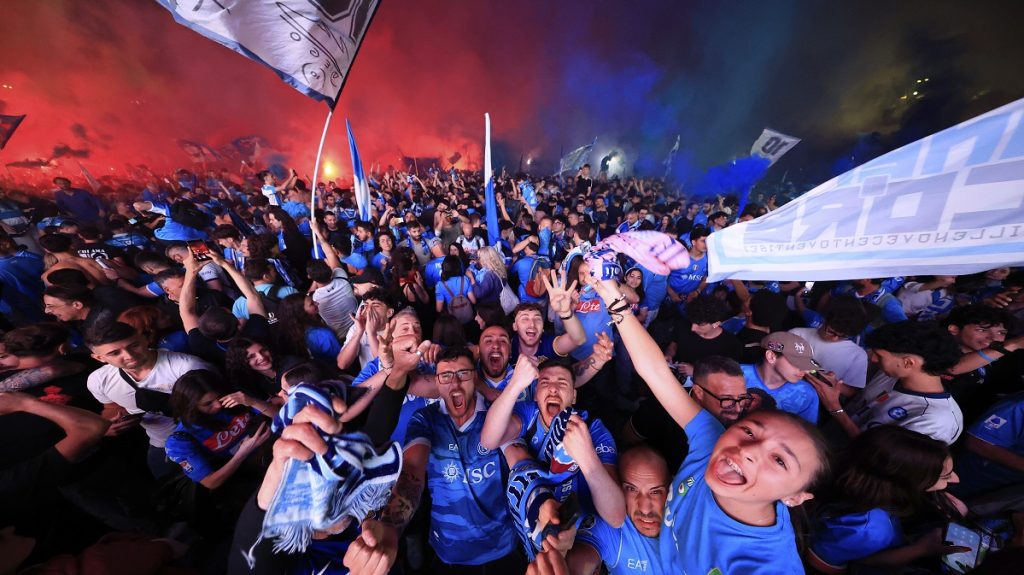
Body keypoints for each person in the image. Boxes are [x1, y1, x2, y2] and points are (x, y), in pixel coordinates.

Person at [590, 275, 831, 574]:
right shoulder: (711, 443)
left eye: (780, 460)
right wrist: (612, 297)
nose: (747, 451)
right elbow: (655, 372)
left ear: (794, 498)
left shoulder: (764, 565)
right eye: (749, 431)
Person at [352, 346, 527, 574]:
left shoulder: (496, 414)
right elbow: (412, 470)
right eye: (446, 376)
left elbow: (519, 459)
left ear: (475, 378)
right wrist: (389, 526)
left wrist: (540, 503)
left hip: (503, 546)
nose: (455, 384)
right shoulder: (425, 419)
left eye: (463, 374)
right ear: (436, 382)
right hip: (449, 550)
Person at [809, 426, 967, 573]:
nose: (956, 479)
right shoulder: (868, 529)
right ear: (908, 480)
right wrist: (922, 549)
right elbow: (822, 564)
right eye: (945, 476)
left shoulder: (836, 463)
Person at [85, 321, 214, 477]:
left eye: (134, 345)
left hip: (206, 437)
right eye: (115, 353)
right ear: (99, 358)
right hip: (160, 443)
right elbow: (111, 407)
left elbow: (221, 405)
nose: (129, 356)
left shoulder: (187, 367)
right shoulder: (99, 381)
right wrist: (110, 424)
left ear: (144, 339)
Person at [812, 320, 964, 444]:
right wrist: (837, 387)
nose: (873, 359)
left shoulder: (935, 421)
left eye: (880, 356)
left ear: (908, 363)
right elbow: (864, 402)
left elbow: (878, 458)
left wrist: (835, 408)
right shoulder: (891, 376)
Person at [624, 356, 753, 471]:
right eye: (727, 399)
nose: (738, 409)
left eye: (742, 397)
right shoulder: (660, 407)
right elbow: (629, 437)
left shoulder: (748, 418)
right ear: (698, 392)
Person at [564, 445, 671, 575]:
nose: (645, 509)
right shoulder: (614, 527)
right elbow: (578, 561)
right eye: (631, 489)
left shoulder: (688, 515)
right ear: (617, 489)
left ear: (670, 488)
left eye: (655, 492)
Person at [164, 369, 275, 489]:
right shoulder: (179, 440)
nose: (218, 405)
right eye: (208, 404)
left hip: (273, 446)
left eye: (218, 397)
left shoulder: (233, 397)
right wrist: (243, 452)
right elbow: (211, 482)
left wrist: (252, 401)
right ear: (190, 407)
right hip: (247, 477)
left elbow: (279, 414)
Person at [790, 294, 870, 397]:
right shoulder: (797, 334)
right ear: (824, 319)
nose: (834, 338)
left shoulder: (858, 355)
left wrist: (830, 381)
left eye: (843, 336)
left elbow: (851, 392)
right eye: (831, 332)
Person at [741, 332, 820, 424]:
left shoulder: (807, 394)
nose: (806, 371)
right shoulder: (736, 374)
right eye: (797, 363)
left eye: (806, 364)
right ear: (771, 357)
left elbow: (805, 431)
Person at [273, 293, 342, 363]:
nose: (317, 303)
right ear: (300, 312)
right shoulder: (324, 335)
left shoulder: (286, 333)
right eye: (311, 304)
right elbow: (340, 360)